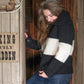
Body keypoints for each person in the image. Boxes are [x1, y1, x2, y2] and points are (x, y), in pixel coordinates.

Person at [25, 0, 75, 84]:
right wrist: (27, 39)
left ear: (57, 11)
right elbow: (45, 47)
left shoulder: (65, 24)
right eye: (46, 17)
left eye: (50, 15)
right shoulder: (55, 25)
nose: (48, 19)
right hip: (47, 70)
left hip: (59, 73)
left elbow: (65, 50)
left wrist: (49, 71)